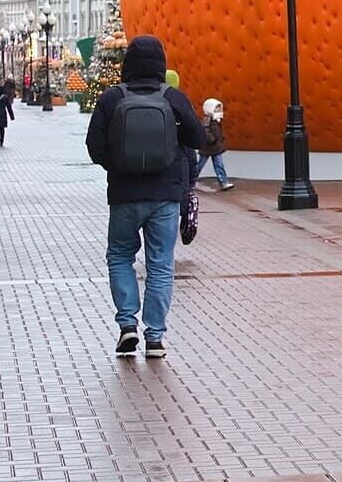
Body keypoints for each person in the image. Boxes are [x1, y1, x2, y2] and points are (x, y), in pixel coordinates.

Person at [86, 35, 202, 359]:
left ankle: (126, 325)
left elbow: (94, 146)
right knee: (160, 264)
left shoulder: (111, 98)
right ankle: (155, 337)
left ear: (127, 63)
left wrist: (119, 165)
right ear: (161, 64)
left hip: (124, 195)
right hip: (164, 196)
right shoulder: (173, 97)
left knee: (120, 256)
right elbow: (198, 137)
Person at [196, 98, 234, 190]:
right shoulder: (208, 120)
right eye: (216, 108)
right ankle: (190, 181)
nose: (219, 110)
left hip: (215, 147)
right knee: (200, 165)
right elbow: (206, 131)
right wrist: (212, 139)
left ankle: (223, 182)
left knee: (219, 165)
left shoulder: (216, 120)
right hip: (209, 147)